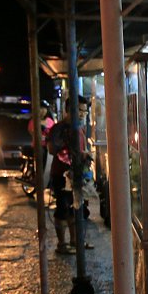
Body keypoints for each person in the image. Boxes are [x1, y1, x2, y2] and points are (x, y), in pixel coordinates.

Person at [46, 97, 91, 255]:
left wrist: (84, 155)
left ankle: (75, 241)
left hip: (77, 175)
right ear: (68, 109)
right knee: (63, 209)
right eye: (79, 110)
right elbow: (52, 149)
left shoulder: (80, 129)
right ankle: (62, 244)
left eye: (84, 111)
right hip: (61, 175)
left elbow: (80, 149)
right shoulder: (59, 128)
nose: (82, 114)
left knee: (77, 208)